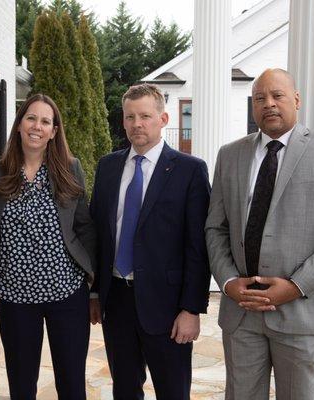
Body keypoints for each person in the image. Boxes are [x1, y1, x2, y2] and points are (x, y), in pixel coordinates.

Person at [205, 68, 314, 400]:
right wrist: (229, 282)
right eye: (259, 98)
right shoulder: (230, 155)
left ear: (296, 99)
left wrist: (294, 286)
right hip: (242, 313)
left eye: (277, 95)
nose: (269, 104)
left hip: (300, 312)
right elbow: (216, 228)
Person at [89, 83, 211, 399]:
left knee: (173, 392)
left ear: (163, 119)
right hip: (117, 301)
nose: (137, 124)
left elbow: (198, 247)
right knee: (125, 390)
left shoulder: (190, 170)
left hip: (168, 306)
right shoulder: (108, 167)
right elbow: (97, 233)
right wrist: (95, 292)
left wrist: (191, 309)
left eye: (145, 116)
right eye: (130, 117)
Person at [0, 94, 96, 400]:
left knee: (72, 385)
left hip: (67, 294)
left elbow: (84, 226)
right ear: (19, 124)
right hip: (16, 298)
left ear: (54, 131)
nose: (37, 126)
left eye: (45, 121)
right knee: (21, 385)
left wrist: (91, 283)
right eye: (31, 118)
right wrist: (0, 265)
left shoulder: (70, 168)